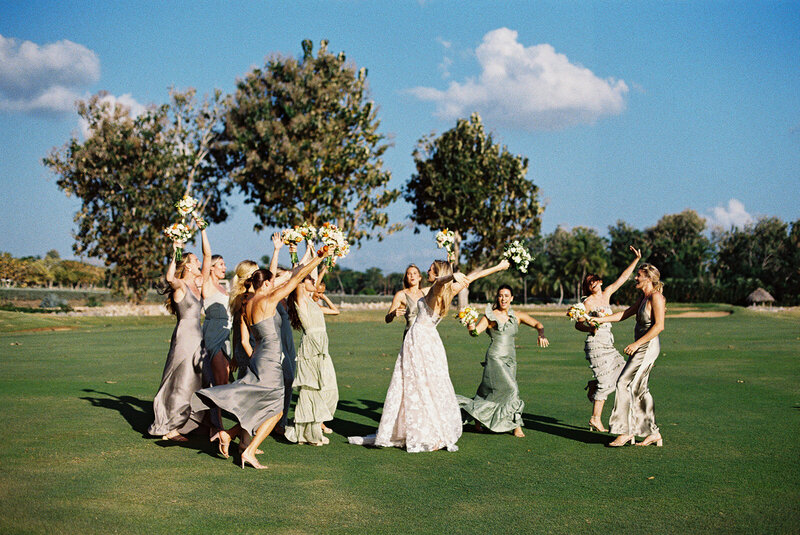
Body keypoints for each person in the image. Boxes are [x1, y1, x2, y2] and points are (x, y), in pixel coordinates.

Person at [349, 258, 510, 453]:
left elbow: (443, 281)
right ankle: (417, 429)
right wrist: (499, 267)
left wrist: (450, 275)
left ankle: (427, 432)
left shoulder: (437, 289)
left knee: (418, 383)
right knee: (427, 384)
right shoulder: (447, 290)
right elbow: (473, 276)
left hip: (419, 339)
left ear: (437, 273)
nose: (427, 271)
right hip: (431, 341)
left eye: (430, 270)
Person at [191, 249, 330, 469]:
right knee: (276, 411)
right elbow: (295, 279)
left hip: (259, 357)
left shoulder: (248, 304)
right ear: (265, 284)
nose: (274, 285)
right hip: (270, 360)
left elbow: (247, 337)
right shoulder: (268, 300)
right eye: (271, 282)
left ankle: (229, 434)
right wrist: (320, 257)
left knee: (260, 405)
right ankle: (250, 451)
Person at [457, 284, 549, 438]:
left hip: (511, 359)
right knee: (512, 390)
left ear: (512, 298)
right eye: (500, 295)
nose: (503, 299)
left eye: (506, 295)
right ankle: (516, 425)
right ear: (497, 298)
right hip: (495, 358)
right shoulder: (490, 316)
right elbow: (475, 333)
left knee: (490, 394)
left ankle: (477, 418)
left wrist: (541, 334)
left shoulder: (517, 316)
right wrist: (470, 325)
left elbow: (538, 324)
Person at [594, 263, 666, 447]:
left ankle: (625, 432)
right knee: (639, 388)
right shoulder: (644, 297)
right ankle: (653, 433)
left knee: (624, 383)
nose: (635, 278)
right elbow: (624, 314)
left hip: (647, 346)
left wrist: (636, 344)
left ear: (648, 278)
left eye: (639, 275)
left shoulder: (656, 297)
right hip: (642, 345)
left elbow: (659, 326)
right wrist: (600, 320)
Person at [574, 246, 641, 432]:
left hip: (608, 344)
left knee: (623, 372)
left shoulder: (607, 293)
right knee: (606, 383)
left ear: (600, 282)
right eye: (589, 283)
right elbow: (578, 324)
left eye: (595, 281)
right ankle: (595, 419)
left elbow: (623, 278)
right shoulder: (587, 302)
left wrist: (636, 260)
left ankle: (593, 385)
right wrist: (590, 326)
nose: (593, 285)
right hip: (595, 344)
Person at [148, 236, 208, 441]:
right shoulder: (180, 286)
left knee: (197, 379)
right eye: (194, 260)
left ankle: (187, 424)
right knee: (180, 379)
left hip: (198, 336)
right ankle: (169, 425)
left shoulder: (197, 284)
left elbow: (207, 258)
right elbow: (169, 278)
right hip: (184, 336)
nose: (198, 262)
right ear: (188, 267)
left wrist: (202, 232)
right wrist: (176, 252)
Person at [285, 264, 340, 445]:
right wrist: (312, 255)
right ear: (301, 282)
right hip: (310, 349)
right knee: (311, 390)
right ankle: (310, 433)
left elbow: (315, 282)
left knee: (328, 389)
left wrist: (323, 264)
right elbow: (299, 274)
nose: (314, 282)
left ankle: (313, 429)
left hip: (321, 349)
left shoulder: (311, 301)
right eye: (310, 279)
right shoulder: (300, 298)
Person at [198, 230, 230, 431]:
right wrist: (203, 230)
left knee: (224, 381)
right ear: (211, 268)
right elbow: (206, 255)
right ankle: (217, 426)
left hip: (226, 335)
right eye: (221, 264)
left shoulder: (224, 288)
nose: (225, 268)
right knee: (219, 383)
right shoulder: (207, 284)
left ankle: (213, 421)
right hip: (214, 334)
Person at [385, 264, 428, 339]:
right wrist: (393, 314)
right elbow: (387, 319)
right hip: (410, 336)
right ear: (406, 278)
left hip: (425, 335)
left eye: (415, 273)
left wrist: (450, 263)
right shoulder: (401, 295)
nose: (412, 276)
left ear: (419, 277)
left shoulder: (426, 292)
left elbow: (444, 284)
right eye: (409, 274)